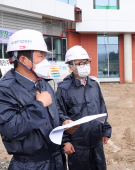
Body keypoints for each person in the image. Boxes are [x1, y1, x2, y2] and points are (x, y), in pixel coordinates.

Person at [0, 29, 79, 170]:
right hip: (29, 165)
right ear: (24, 60)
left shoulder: (43, 83)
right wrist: (39, 105)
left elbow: (54, 112)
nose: (45, 61)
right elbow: (10, 128)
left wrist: (64, 123)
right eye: (40, 56)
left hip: (56, 160)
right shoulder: (5, 89)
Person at [56, 45, 112, 170]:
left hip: (96, 142)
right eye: (80, 63)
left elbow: (102, 109)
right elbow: (59, 115)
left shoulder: (94, 85)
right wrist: (65, 141)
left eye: (86, 62)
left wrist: (105, 131)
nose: (85, 65)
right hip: (77, 145)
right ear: (70, 66)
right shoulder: (63, 88)